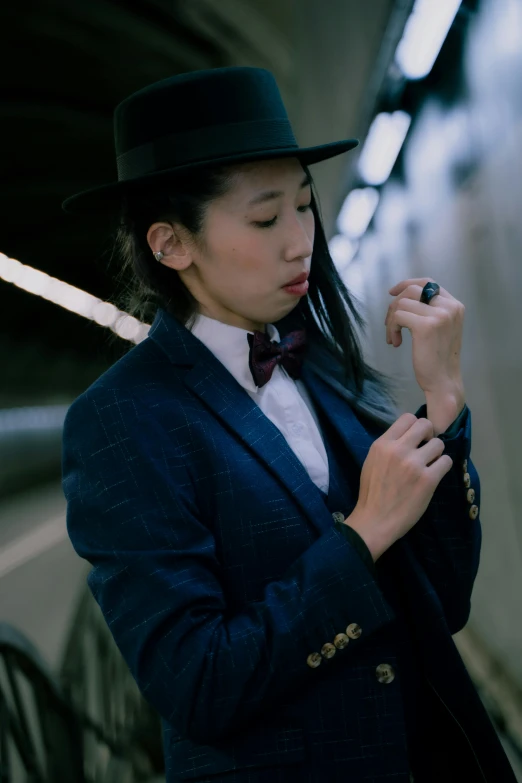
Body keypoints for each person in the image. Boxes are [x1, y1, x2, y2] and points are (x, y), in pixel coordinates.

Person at [61, 67, 516, 783]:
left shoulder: (321, 365)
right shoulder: (120, 421)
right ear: (171, 244)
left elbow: (444, 602)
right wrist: (361, 535)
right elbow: (197, 685)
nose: (301, 240)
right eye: (267, 218)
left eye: (305, 206)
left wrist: (444, 399)